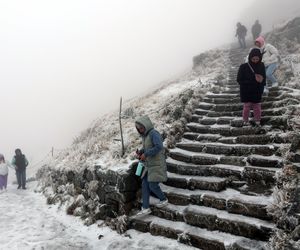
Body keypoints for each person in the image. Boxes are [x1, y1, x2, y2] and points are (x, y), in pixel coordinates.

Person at [135, 115, 168, 216]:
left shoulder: (154, 133)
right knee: (145, 185)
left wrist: (146, 154)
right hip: (149, 164)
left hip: (156, 163)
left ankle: (164, 199)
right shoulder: (145, 136)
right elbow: (148, 148)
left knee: (152, 185)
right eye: (138, 129)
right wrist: (141, 152)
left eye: (141, 127)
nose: (140, 130)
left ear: (146, 125)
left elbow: (159, 146)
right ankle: (145, 207)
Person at [237, 48, 266, 127]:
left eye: (257, 59)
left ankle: (257, 121)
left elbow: (264, 78)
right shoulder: (243, 67)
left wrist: (262, 88)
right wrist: (250, 82)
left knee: (257, 107)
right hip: (246, 90)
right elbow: (239, 79)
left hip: (257, 90)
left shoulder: (261, 65)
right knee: (247, 106)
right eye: (253, 59)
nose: (255, 60)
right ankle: (245, 121)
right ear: (250, 58)